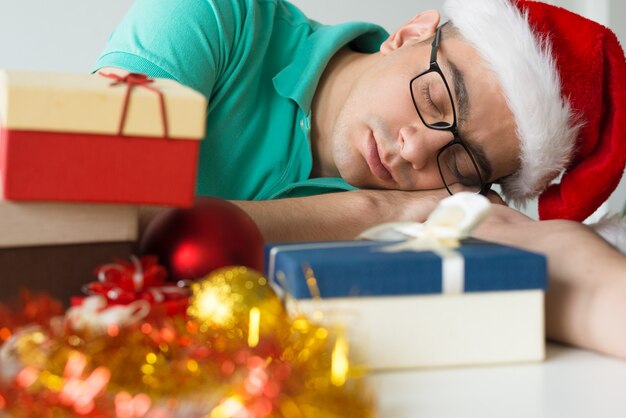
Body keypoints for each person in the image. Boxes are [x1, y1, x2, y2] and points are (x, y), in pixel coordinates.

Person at [96, 0, 626, 359]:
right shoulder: (216, 18)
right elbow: (84, 217)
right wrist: (368, 214)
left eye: (462, 161)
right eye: (436, 98)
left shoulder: (446, 201)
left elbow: (581, 280)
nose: (417, 148)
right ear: (411, 34)